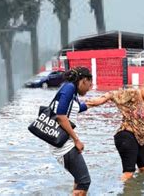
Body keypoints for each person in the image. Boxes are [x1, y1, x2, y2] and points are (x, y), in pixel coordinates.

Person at [85, 72, 144, 181]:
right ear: (143, 87)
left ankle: (138, 189)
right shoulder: (133, 93)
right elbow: (113, 94)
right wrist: (100, 100)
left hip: (140, 140)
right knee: (129, 173)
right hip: (127, 136)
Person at [50, 66, 93, 196]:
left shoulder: (72, 91)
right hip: (63, 142)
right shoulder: (69, 88)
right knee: (84, 181)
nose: (89, 88)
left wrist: (97, 102)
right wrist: (76, 140)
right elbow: (61, 116)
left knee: (79, 178)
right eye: (89, 85)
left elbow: (77, 108)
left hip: (63, 140)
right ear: (84, 80)